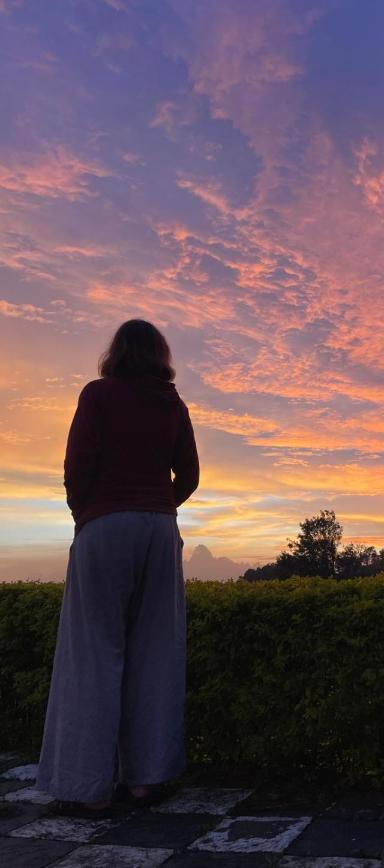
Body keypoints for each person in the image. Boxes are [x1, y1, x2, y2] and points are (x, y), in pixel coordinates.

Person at [35, 319, 200, 818]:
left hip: (105, 525)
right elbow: (189, 475)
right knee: (156, 652)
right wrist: (158, 506)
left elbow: (77, 467)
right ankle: (147, 780)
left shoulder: (99, 395)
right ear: (160, 355)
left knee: (93, 653)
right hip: (160, 528)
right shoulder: (172, 403)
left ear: (117, 352)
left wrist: (87, 513)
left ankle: (88, 788)